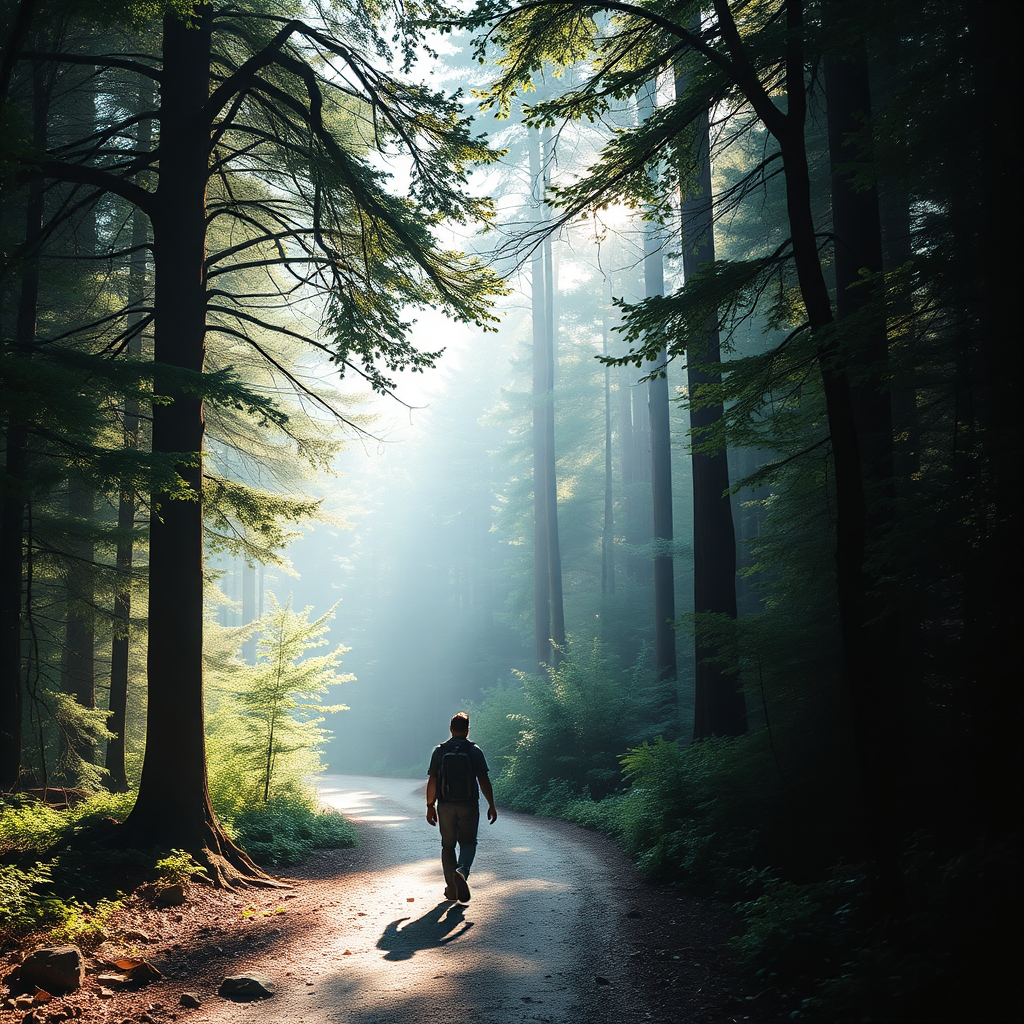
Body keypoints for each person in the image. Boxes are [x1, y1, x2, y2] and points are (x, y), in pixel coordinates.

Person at [425, 712, 498, 904]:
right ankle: (462, 871)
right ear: (467, 729)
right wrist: (491, 804)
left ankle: (451, 887)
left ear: (451, 729)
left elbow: (432, 779)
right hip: (468, 805)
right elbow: (483, 778)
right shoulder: (474, 751)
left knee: (448, 846)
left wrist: (430, 805)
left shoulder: (440, 751)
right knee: (468, 843)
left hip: (446, 805)